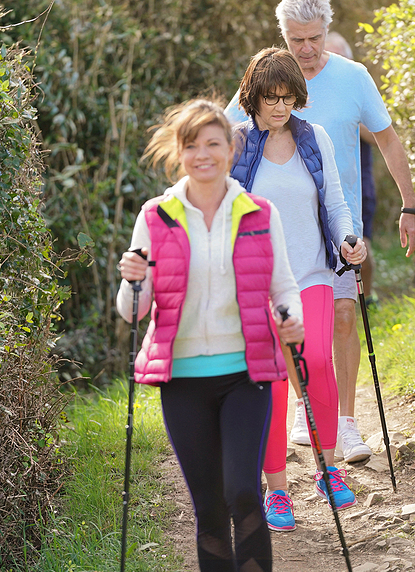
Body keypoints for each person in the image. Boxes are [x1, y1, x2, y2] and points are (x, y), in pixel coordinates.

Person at [225, 0, 415, 464]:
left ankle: (348, 425)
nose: (307, 49)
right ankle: (304, 406)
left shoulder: (354, 78)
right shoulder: (269, 82)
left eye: (314, 38)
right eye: (297, 40)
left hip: (340, 226)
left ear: (327, 32)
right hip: (284, 233)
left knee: (344, 316)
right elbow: (225, 132)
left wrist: (410, 205)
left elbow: (390, 142)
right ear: (284, 37)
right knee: (298, 330)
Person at [116, 98, 304, 571]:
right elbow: (131, 312)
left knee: (242, 490)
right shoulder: (155, 216)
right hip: (182, 379)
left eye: (213, 144)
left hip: (247, 370)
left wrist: (290, 318)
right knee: (209, 508)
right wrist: (131, 279)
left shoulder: (259, 212)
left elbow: (283, 286)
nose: (204, 154)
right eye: (192, 145)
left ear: (230, 147)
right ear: (179, 153)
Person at [230, 47, 367, 532]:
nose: (280, 107)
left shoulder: (316, 139)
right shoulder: (237, 144)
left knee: (318, 366)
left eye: (288, 97)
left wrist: (349, 239)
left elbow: (335, 202)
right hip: (258, 284)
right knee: (273, 382)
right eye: (271, 98)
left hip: (312, 273)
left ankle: (327, 470)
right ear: (253, 97)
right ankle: (277, 492)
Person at [323, 32, 379, 308]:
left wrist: (349, 120)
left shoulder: (357, 86)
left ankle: (367, 297)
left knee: (362, 240)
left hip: (359, 178)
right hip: (325, 184)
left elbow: (379, 135)